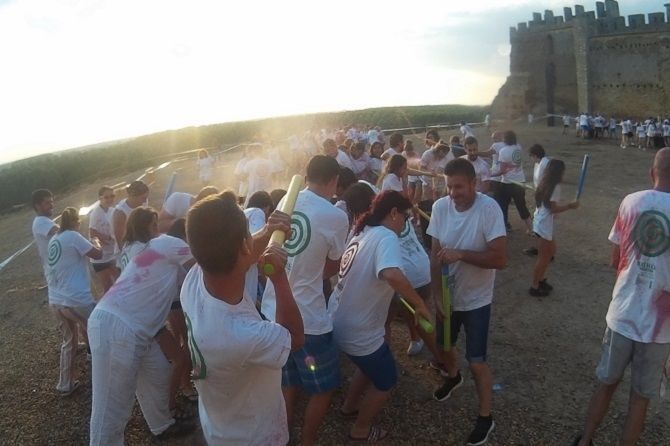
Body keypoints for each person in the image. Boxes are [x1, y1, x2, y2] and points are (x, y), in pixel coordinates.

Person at [179, 191, 303, 445]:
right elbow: (294, 337)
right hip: (255, 437)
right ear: (245, 245)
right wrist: (279, 278)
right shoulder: (243, 335)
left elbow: (237, 255)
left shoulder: (194, 279)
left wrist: (269, 231)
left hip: (220, 428)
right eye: (249, 233)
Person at [572, 148, 670, 446]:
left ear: (652, 173)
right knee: (640, 398)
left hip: (624, 313)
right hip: (659, 328)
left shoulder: (631, 202)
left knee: (606, 383)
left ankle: (585, 440)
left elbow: (615, 259)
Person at [330, 191, 432, 442]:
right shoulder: (386, 236)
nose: (406, 223)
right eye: (405, 217)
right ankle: (360, 429)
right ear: (394, 213)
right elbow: (391, 274)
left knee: (369, 366)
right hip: (358, 328)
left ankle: (349, 407)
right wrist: (419, 303)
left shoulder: (362, 232)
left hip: (338, 318)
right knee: (386, 379)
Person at [261, 155, 349, 446]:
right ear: (334, 180)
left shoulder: (288, 198)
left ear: (307, 175)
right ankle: (308, 441)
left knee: (287, 382)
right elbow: (334, 263)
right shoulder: (335, 215)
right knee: (323, 388)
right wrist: (310, 274)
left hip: (273, 311)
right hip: (308, 319)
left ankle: (284, 436)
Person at [88, 211, 196, 444]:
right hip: (118, 325)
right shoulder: (169, 243)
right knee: (111, 409)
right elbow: (205, 268)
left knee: (159, 372)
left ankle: (162, 425)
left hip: (137, 327)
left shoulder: (150, 249)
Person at [427, 158, 507, 446]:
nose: (453, 193)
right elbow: (435, 255)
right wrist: (437, 296)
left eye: (459, 187)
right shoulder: (440, 207)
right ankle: (453, 376)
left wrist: (461, 254)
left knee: (477, 362)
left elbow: (500, 258)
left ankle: (485, 417)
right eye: (449, 187)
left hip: (476, 300)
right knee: (443, 346)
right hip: (449, 297)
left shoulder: (489, 209)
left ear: (474, 183)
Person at [47, 207, 102, 396]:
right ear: (76, 221)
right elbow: (97, 254)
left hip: (56, 299)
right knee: (98, 331)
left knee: (69, 341)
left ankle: (65, 384)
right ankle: (104, 373)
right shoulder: (73, 236)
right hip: (76, 299)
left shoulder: (54, 239)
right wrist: (95, 241)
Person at [529, 160, 579, 296]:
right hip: (543, 224)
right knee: (543, 257)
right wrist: (570, 206)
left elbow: (549, 207)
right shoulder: (555, 187)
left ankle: (540, 279)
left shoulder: (544, 182)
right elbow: (553, 209)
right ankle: (535, 286)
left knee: (551, 251)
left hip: (541, 221)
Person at [494, 131, 532, 232]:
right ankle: (531, 229)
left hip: (507, 183)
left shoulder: (503, 151)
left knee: (503, 206)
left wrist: (491, 174)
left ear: (505, 139)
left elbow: (502, 171)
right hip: (520, 181)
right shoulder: (518, 147)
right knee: (522, 206)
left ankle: (504, 227)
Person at [88, 186, 119, 293]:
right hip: (100, 258)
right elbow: (92, 233)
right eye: (106, 197)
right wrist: (109, 238)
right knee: (108, 287)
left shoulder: (113, 210)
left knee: (120, 282)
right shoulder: (95, 213)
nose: (110, 199)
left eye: (112, 196)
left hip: (113, 253)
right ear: (100, 198)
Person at [112, 180, 149, 251]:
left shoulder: (143, 202)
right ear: (133, 196)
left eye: (146, 198)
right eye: (143, 198)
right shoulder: (120, 213)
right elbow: (121, 243)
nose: (145, 201)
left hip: (142, 244)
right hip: (127, 250)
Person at [31, 189, 59, 277]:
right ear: (37, 206)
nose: (52, 205)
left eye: (52, 202)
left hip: (57, 269)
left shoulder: (44, 220)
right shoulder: (40, 222)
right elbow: (64, 232)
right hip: (56, 272)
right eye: (47, 203)